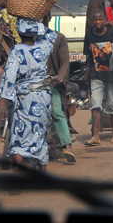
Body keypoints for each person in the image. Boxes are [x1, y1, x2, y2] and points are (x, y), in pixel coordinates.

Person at [0, 18, 57, 171]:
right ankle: (42, 171)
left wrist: (3, 98)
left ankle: (19, 170)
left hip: (25, 98)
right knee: (40, 132)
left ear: (19, 33)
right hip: (43, 96)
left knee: (20, 135)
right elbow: (51, 34)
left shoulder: (17, 50)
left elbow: (10, 75)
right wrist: (36, 20)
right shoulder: (44, 46)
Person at [84, 10, 113, 146]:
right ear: (92, 21)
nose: (98, 22)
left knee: (111, 104)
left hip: (112, 74)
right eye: (95, 20)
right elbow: (90, 56)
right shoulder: (89, 34)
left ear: (104, 19)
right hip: (96, 74)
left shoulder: (112, 33)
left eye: (100, 19)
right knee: (95, 104)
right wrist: (87, 72)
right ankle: (95, 136)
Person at [42, 13, 76, 163]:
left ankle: (67, 146)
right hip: (32, 84)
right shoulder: (29, 39)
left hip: (51, 83)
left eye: (42, 17)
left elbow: (64, 62)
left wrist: (60, 76)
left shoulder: (59, 38)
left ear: (48, 18)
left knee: (56, 111)